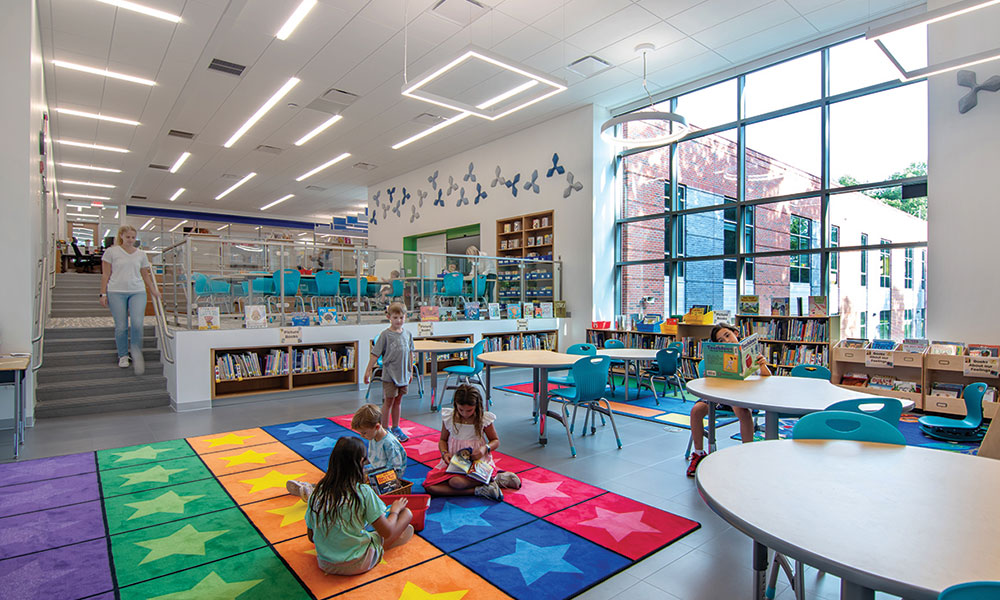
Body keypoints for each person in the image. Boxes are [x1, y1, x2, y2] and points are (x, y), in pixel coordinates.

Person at [285, 437, 413, 575]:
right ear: (359, 463)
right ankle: (389, 541)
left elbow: (311, 537)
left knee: (359, 525)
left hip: (325, 563)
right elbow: (386, 532)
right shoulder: (363, 491)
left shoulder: (317, 492)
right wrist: (394, 511)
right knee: (406, 514)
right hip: (359, 562)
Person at [686, 324, 771, 477]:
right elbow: (709, 381)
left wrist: (763, 365)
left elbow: (767, 378)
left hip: (740, 395)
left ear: (735, 333)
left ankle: (747, 452)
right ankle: (698, 453)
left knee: (743, 413)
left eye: (727, 335)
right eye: (720, 340)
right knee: (696, 410)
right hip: (718, 394)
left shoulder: (750, 353)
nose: (726, 340)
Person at [422, 384, 520, 502]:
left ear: (477, 406)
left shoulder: (483, 418)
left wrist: (484, 449)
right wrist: (444, 453)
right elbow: (443, 440)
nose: (465, 413)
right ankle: (482, 488)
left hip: (478, 463)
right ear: (455, 405)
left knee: (455, 482)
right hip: (455, 464)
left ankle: (495, 478)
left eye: (469, 410)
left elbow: (495, 441)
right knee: (429, 486)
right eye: (461, 409)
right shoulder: (449, 417)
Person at [100, 225, 160, 374]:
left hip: (137, 291)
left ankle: (136, 352)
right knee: (121, 326)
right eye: (128, 237)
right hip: (116, 291)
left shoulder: (141, 254)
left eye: (133, 237)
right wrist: (103, 293)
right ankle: (123, 355)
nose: (131, 240)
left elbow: (145, 275)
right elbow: (105, 274)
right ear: (121, 236)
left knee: (137, 324)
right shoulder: (111, 252)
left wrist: (153, 289)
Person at [363, 302, 415, 442]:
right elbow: (375, 354)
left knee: (398, 401)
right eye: (395, 317)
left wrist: (410, 371)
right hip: (390, 375)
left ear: (405, 317)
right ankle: (384, 429)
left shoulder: (408, 334)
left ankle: (396, 427)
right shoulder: (385, 335)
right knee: (389, 401)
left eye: (401, 317)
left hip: (403, 375)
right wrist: (368, 371)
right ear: (389, 317)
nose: (399, 320)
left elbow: (410, 353)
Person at [351, 403, 407, 478]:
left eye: (364, 433)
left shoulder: (389, 443)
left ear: (377, 427)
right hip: (378, 470)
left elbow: (396, 468)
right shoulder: (372, 436)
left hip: (389, 477)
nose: (362, 436)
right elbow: (374, 458)